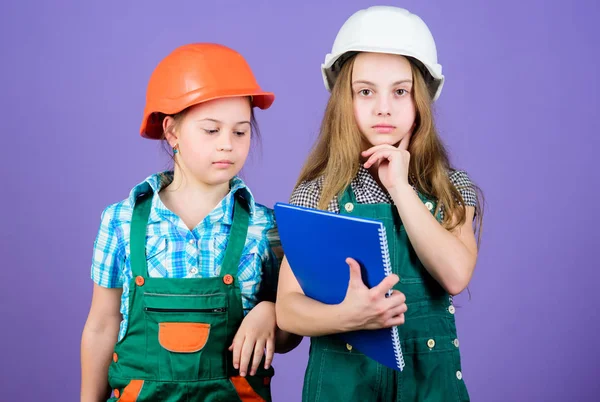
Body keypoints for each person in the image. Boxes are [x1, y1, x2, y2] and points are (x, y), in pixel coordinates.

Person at [276, 6, 483, 401]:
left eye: (400, 91)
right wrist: (346, 317)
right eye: (366, 91)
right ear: (344, 101)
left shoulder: (451, 189)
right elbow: (287, 308)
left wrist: (401, 188)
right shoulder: (319, 194)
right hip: (342, 388)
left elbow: (455, 274)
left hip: (430, 388)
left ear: (420, 99)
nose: (383, 107)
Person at [81, 43, 299, 402]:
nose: (227, 145)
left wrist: (272, 312)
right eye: (211, 131)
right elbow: (102, 325)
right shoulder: (120, 221)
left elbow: (291, 334)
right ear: (172, 132)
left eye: (240, 131)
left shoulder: (266, 228)